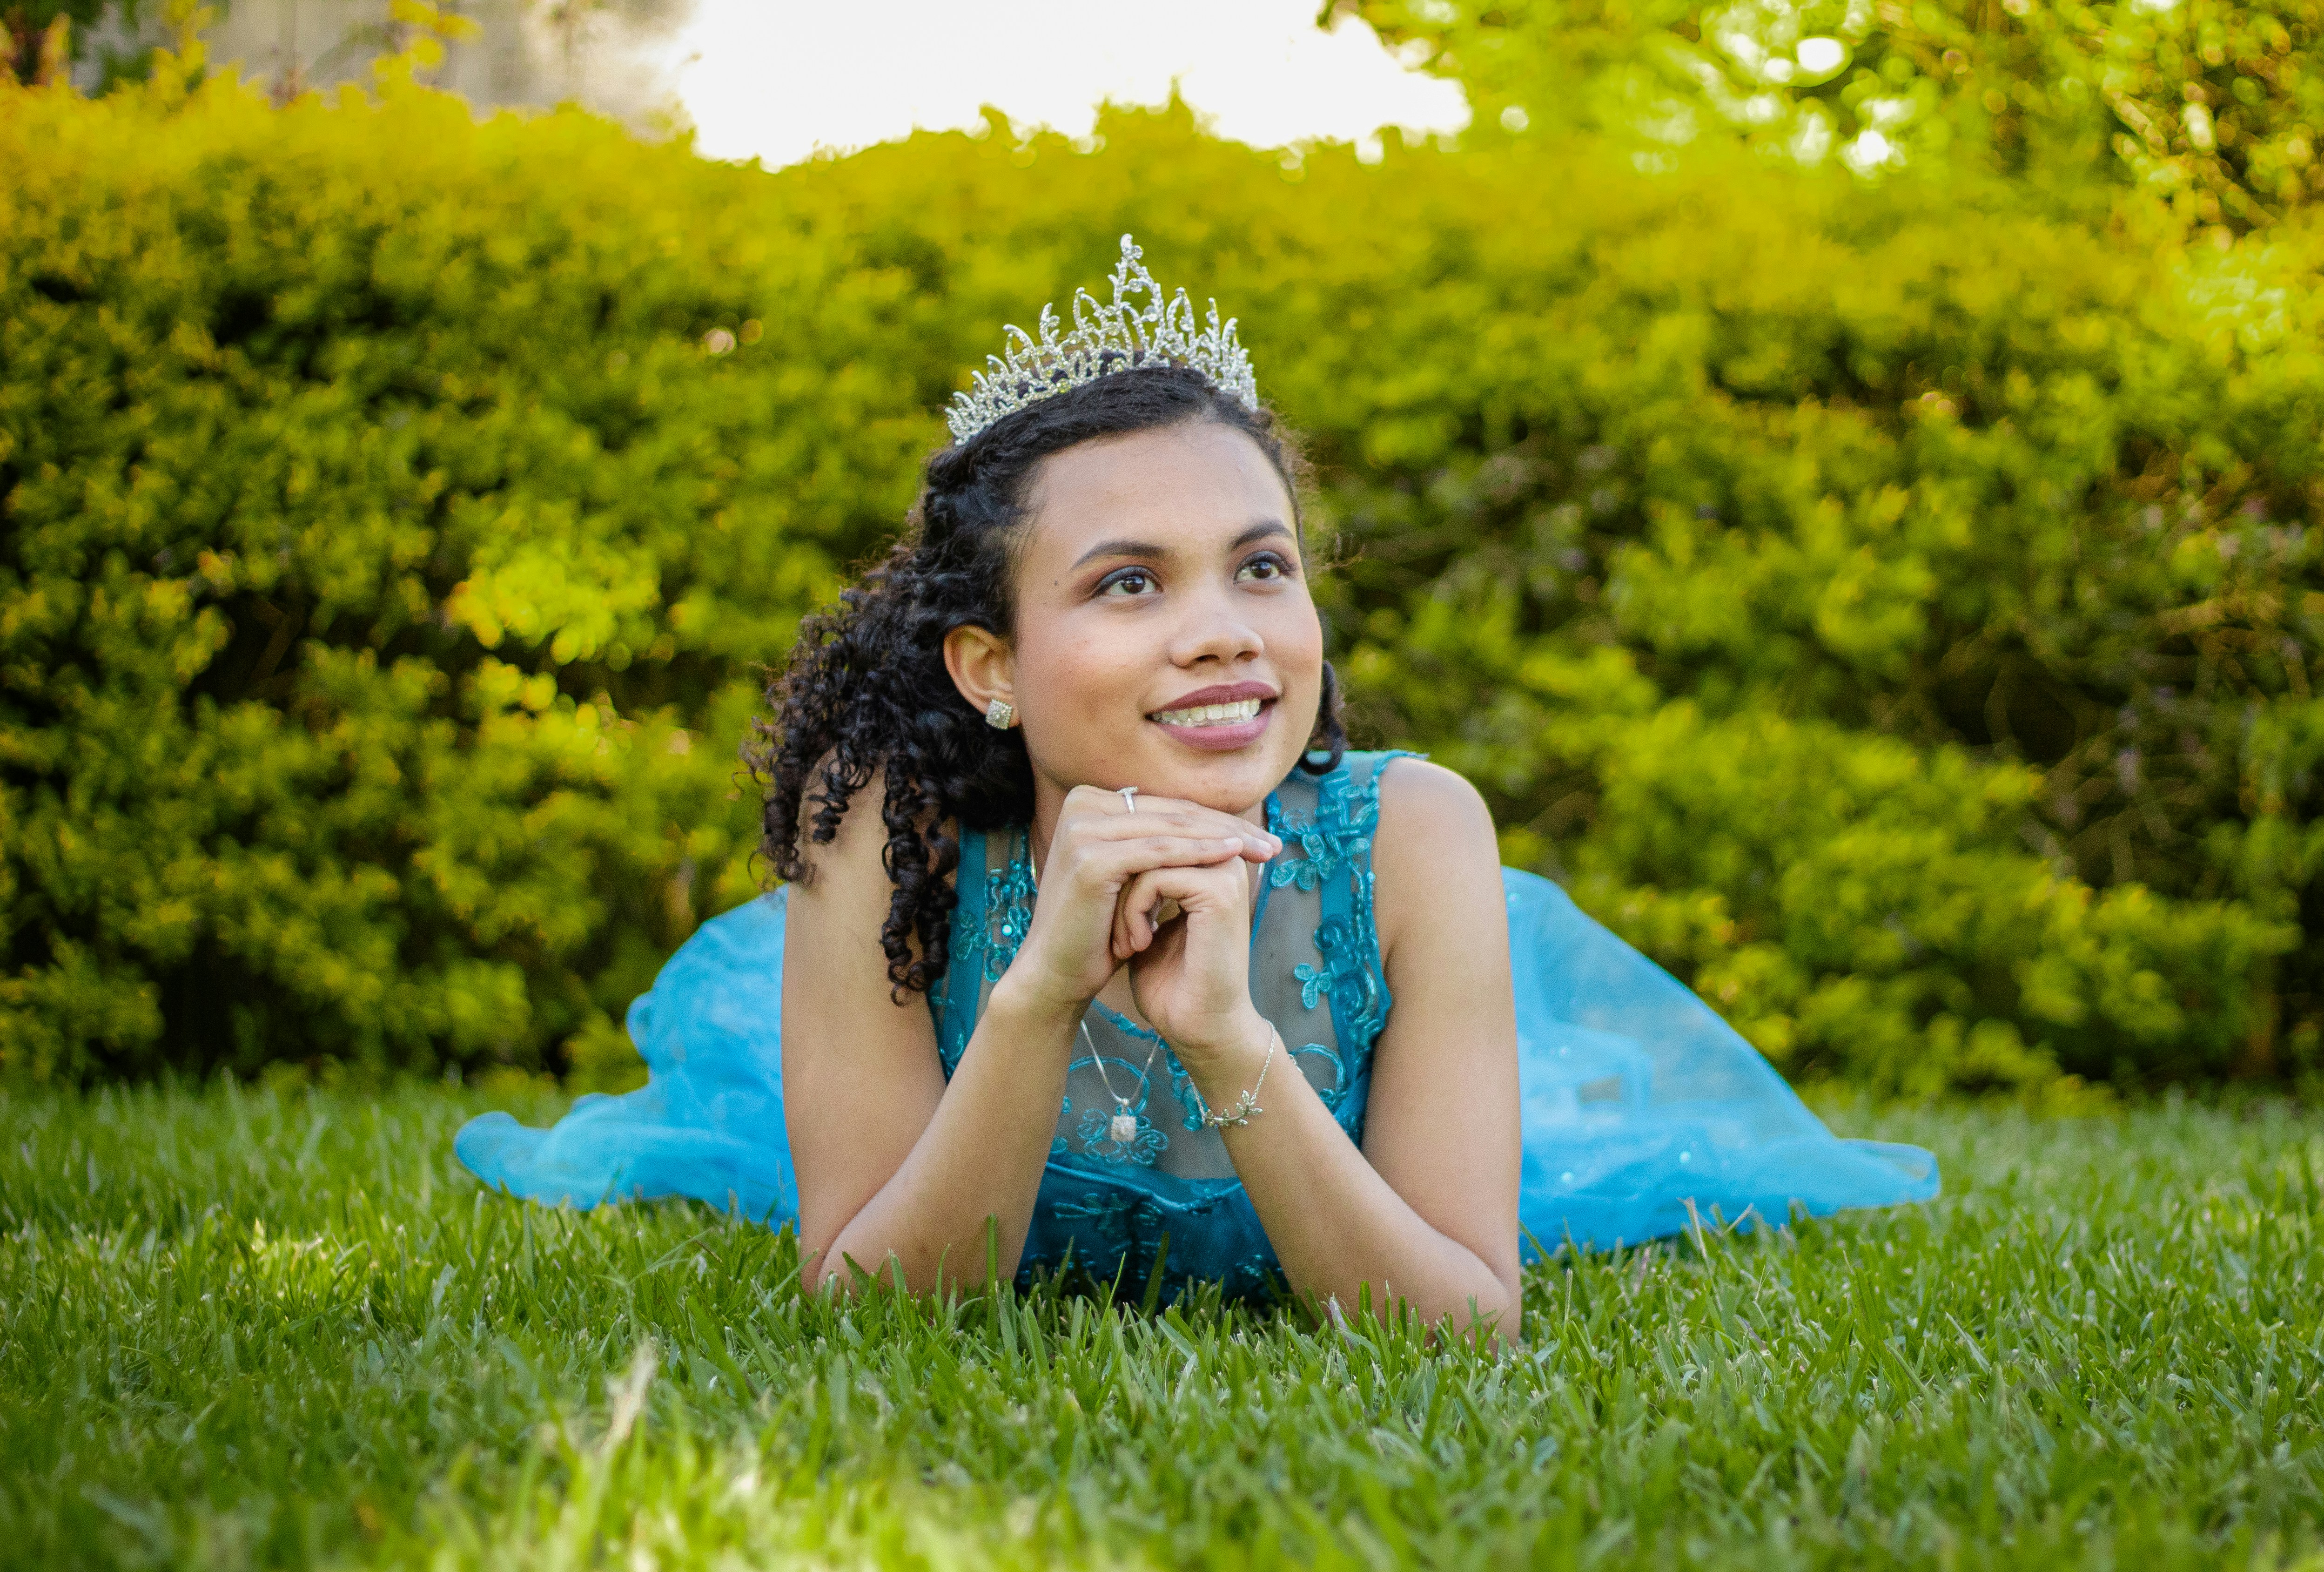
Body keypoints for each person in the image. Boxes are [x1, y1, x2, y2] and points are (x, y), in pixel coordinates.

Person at [456, 239, 1938, 1339]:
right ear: (990, 665)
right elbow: (871, 1307)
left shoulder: (1419, 837)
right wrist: (1038, 995)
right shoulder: (884, 830)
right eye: (1128, 582)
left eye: (1261, 567)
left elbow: (1462, 1323)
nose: (1225, 628)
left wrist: (1229, 1038)